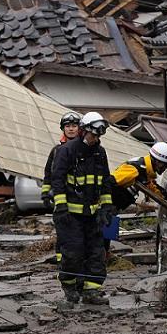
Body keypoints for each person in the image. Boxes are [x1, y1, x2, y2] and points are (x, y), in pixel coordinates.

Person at [50, 112, 116, 305]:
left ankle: (91, 292)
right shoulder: (67, 151)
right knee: (73, 254)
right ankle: (69, 287)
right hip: (70, 216)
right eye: (92, 135)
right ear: (84, 130)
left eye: (98, 136)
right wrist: (60, 207)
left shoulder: (99, 153)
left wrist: (106, 207)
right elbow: (57, 180)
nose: (95, 139)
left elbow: (104, 182)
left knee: (96, 254)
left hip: (92, 215)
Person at [41, 111, 82, 268]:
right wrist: (45, 194)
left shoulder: (86, 148)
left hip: (80, 199)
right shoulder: (56, 150)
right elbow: (48, 174)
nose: (71, 129)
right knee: (63, 232)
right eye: (67, 126)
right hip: (61, 198)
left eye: (74, 126)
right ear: (63, 129)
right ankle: (62, 263)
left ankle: (77, 262)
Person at [110, 142, 167, 210]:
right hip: (105, 208)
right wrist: (105, 205)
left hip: (114, 208)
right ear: (157, 161)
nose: (166, 167)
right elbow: (109, 183)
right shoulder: (134, 170)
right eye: (165, 164)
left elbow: (152, 187)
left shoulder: (145, 170)